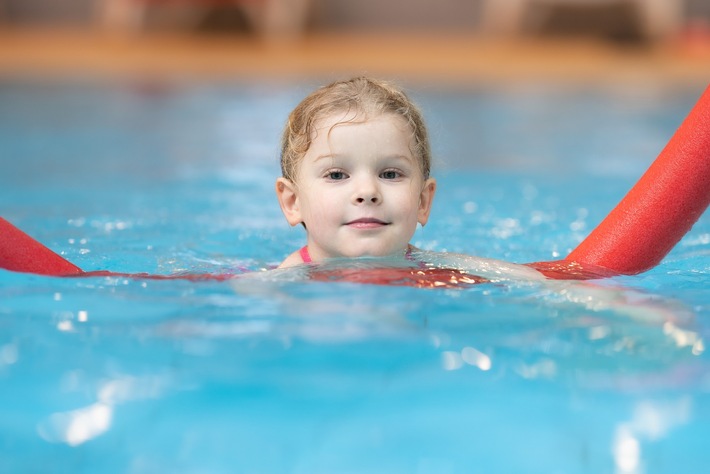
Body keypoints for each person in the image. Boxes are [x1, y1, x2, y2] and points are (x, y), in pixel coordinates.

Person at [275, 76, 437, 268]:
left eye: (390, 174)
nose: (368, 192)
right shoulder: (283, 287)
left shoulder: (446, 274)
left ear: (423, 201)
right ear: (293, 202)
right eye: (336, 175)